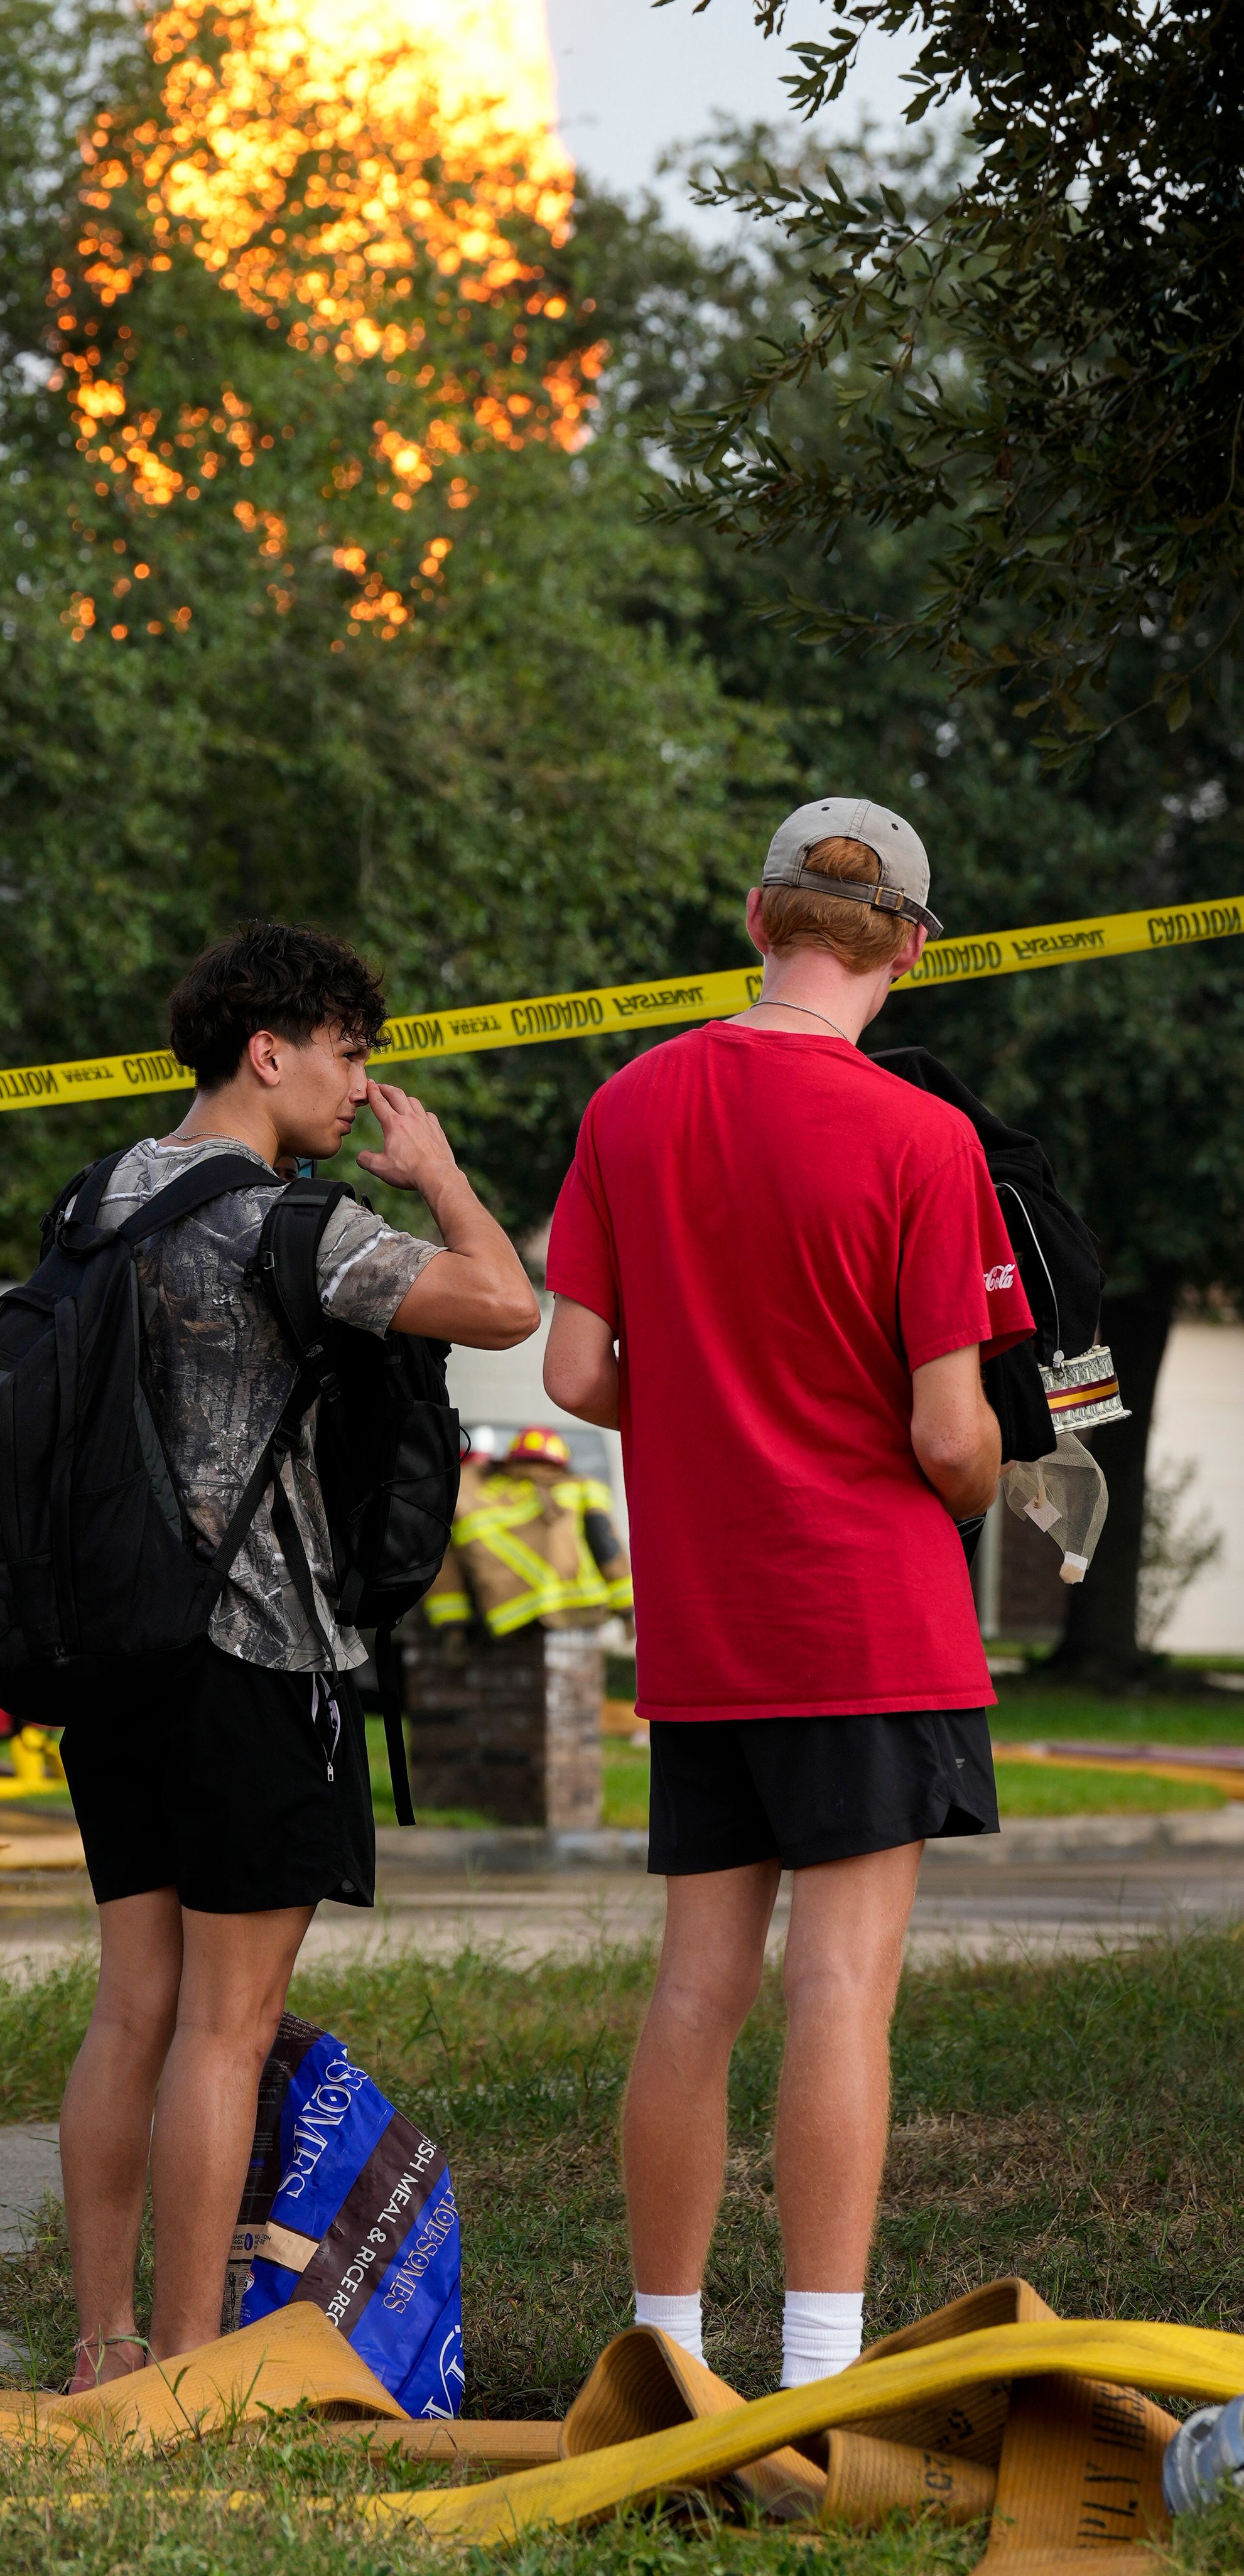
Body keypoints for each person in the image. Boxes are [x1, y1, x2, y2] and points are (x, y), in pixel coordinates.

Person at [542, 799, 1032, 2392]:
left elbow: (573, 1369)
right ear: (912, 946)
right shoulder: (924, 1140)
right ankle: (820, 2372)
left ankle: (661, 2352)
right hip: (872, 1619)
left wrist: (705, 1404)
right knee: (841, 1985)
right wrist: (976, 1480)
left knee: (698, 1983)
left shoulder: (629, 1104)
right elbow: (950, 1435)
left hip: (709, 1619)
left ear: (757, 924)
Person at [55, 918, 537, 2390]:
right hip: (255, 1660)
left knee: (131, 2007)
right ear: (269, 1052)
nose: (358, 1087)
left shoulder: (98, 1200)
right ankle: (190, 2370)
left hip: (109, 1657)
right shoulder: (294, 1224)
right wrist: (440, 1176)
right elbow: (508, 1304)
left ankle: (104, 2346)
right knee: (227, 2024)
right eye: (347, 1055)